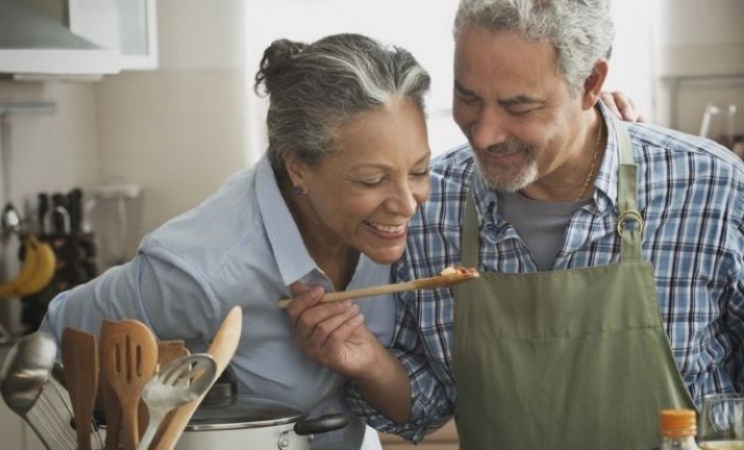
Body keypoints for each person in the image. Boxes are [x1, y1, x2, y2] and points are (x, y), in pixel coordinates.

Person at [285, 1, 744, 449]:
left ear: (590, 83)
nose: (483, 134)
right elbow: (426, 405)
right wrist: (366, 360)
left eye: (518, 107)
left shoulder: (710, 188)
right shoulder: (431, 205)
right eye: (467, 97)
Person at [40, 32, 434, 450]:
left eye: (419, 171)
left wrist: (369, 359)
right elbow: (56, 343)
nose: (407, 203)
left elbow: (415, 413)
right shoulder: (200, 269)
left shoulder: (398, 229)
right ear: (298, 167)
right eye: (372, 180)